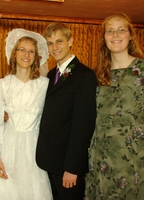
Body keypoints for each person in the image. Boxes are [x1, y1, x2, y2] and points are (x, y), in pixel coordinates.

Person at [84, 13, 144, 200]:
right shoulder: (97, 75)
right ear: (104, 37)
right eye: (110, 31)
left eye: (121, 30)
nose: (115, 35)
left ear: (130, 35)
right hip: (101, 156)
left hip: (133, 157)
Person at [0, 28, 52, 200]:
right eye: (22, 49)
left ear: (36, 56)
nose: (26, 54)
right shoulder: (1, 84)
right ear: (14, 53)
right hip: (8, 148)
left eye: (31, 51)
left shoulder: (44, 85)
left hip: (35, 150)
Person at [36, 22, 97, 200]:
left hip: (66, 167)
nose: (54, 48)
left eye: (59, 41)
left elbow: (83, 126)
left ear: (70, 41)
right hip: (49, 162)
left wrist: (72, 168)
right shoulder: (50, 75)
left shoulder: (84, 76)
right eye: (49, 43)